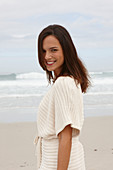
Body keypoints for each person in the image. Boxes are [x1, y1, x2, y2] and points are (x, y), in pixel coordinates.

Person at [34, 24, 91, 170]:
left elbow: (65, 136)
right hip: (69, 161)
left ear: (66, 50)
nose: (47, 56)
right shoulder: (71, 81)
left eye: (53, 50)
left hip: (57, 163)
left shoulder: (63, 83)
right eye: (43, 51)